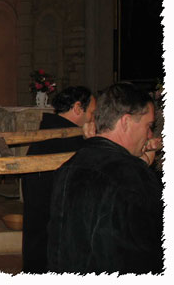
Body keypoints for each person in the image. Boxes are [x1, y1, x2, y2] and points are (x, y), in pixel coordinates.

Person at [47, 82, 163, 274]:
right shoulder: (134, 177)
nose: (149, 134)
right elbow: (148, 254)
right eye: (148, 126)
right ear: (125, 122)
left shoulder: (69, 166)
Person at [21, 86, 96, 273]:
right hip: (55, 241)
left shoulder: (50, 131)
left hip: (40, 236)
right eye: (93, 113)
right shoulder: (68, 141)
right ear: (78, 108)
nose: (94, 118)